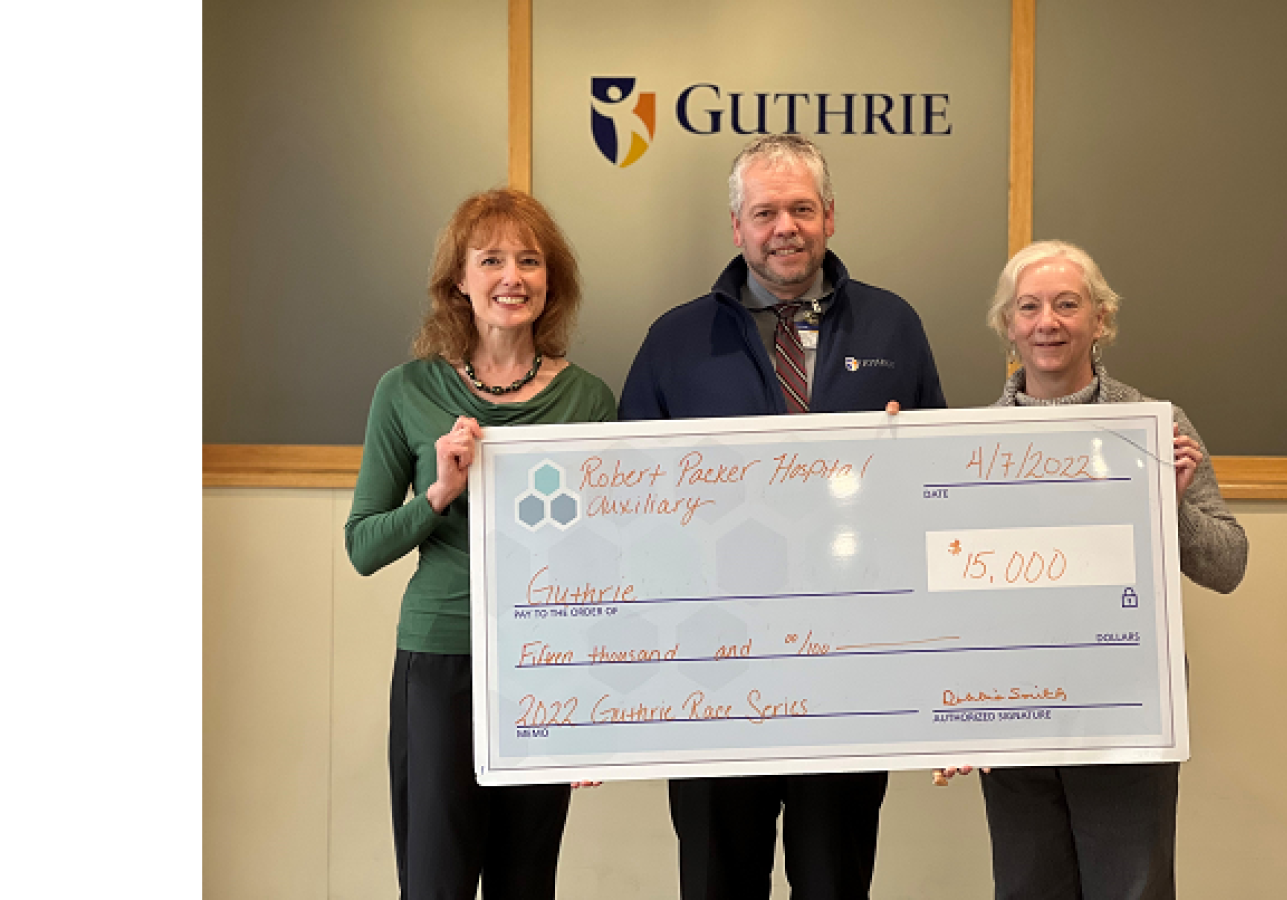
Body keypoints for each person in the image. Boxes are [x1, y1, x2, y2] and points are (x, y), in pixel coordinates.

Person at [619, 134, 945, 899]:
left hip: (849, 666)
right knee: (716, 879)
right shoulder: (674, 341)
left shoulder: (895, 328)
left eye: (801, 208)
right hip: (712, 671)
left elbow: (935, 494)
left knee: (834, 881)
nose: (784, 227)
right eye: (765, 212)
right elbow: (630, 509)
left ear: (830, 216)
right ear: (737, 226)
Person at [939, 240, 1248, 900]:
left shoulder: (1156, 428)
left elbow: (1228, 565)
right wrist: (953, 709)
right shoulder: (968, 447)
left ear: (1100, 320)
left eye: (1067, 304)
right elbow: (954, 597)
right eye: (1029, 307)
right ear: (1009, 325)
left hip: (1125, 721)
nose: (1047, 321)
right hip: (1015, 718)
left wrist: (1169, 507)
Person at [345, 188, 615, 899]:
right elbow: (363, 546)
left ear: (551, 279)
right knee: (435, 883)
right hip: (440, 660)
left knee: (526, 883)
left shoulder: (589, 401)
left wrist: (592, 697)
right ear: (457, 281)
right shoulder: (404, 392)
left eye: (530, 260)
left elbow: (610, 559)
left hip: (544, 667)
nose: (511, 277)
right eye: (490, 259)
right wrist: (437, 495)